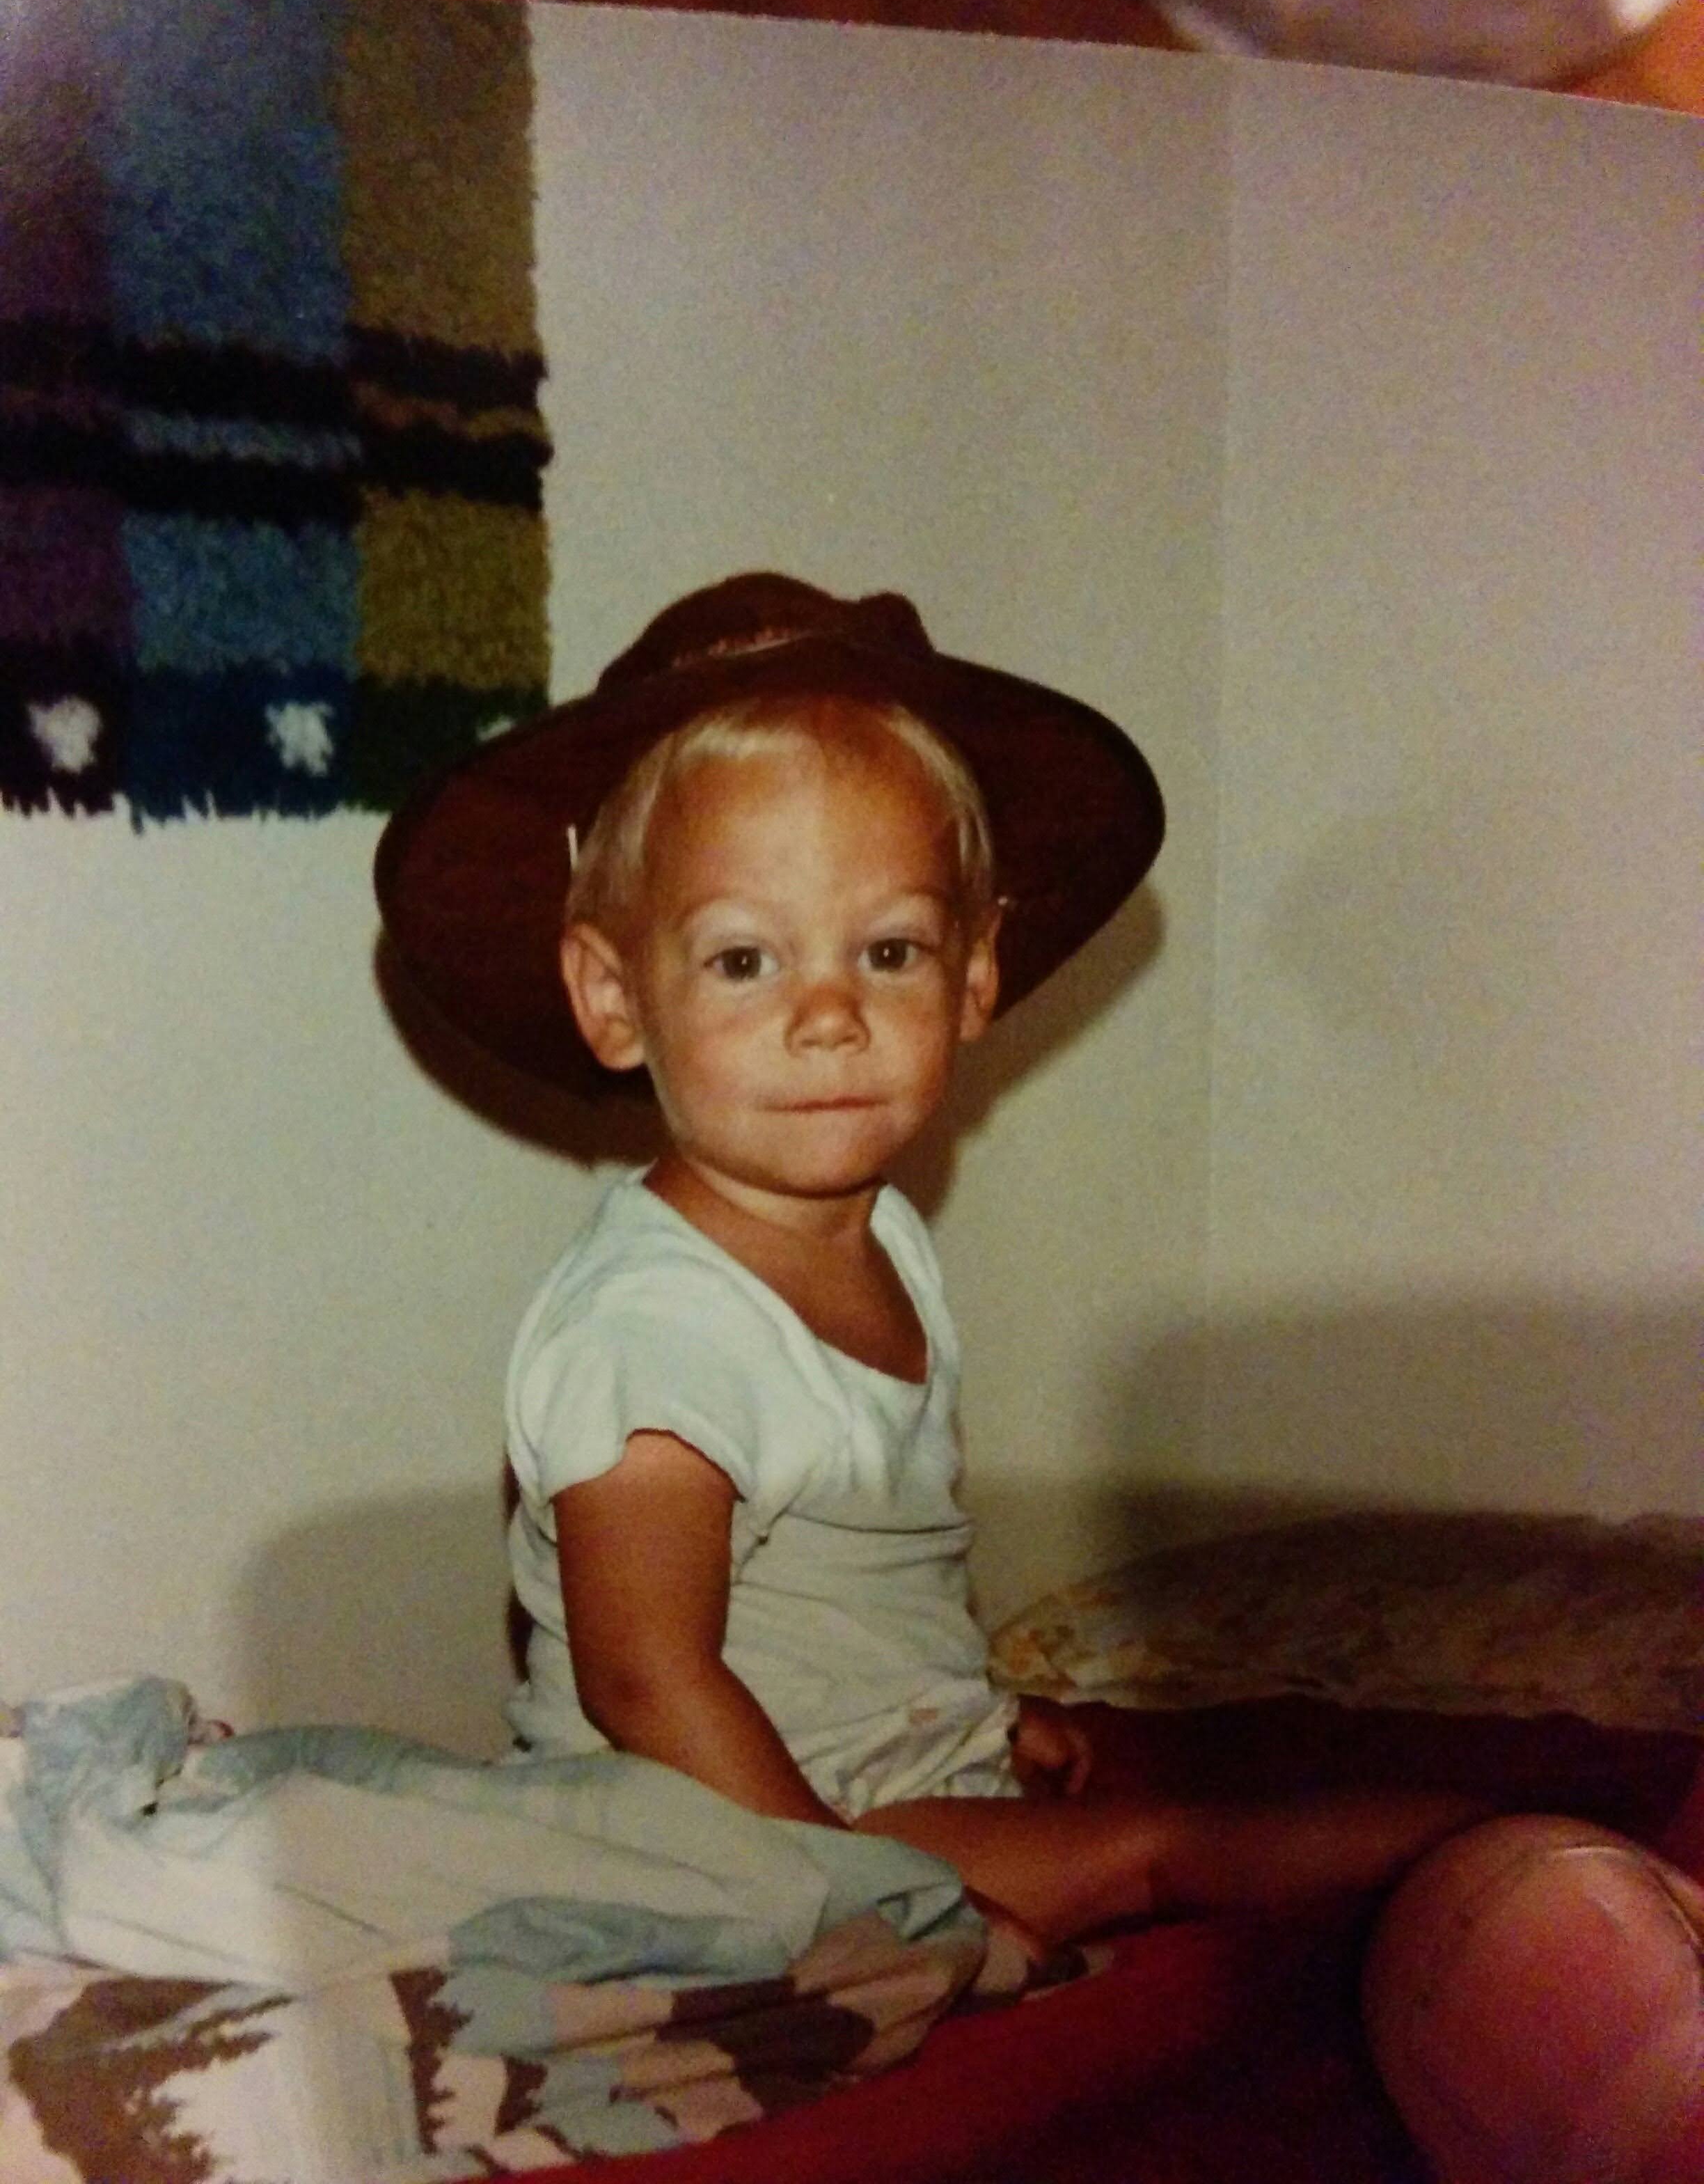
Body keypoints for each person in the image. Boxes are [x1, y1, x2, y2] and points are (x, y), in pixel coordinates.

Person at [375, 570, 1492, 1951]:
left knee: (1193, 1824)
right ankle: (1525, 1864)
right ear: (615, 997)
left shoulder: (888, 1236)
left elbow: (855, 1592)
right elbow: (647, 1680)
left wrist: (972, 1713)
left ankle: (1546, 1872)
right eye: (743, 962)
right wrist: (860, 1908)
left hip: (851, 1772)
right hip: (701, 1817)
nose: (831, 1016)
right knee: (1159, 1851)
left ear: (973, 980)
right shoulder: (651, 1323)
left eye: (888, 949)